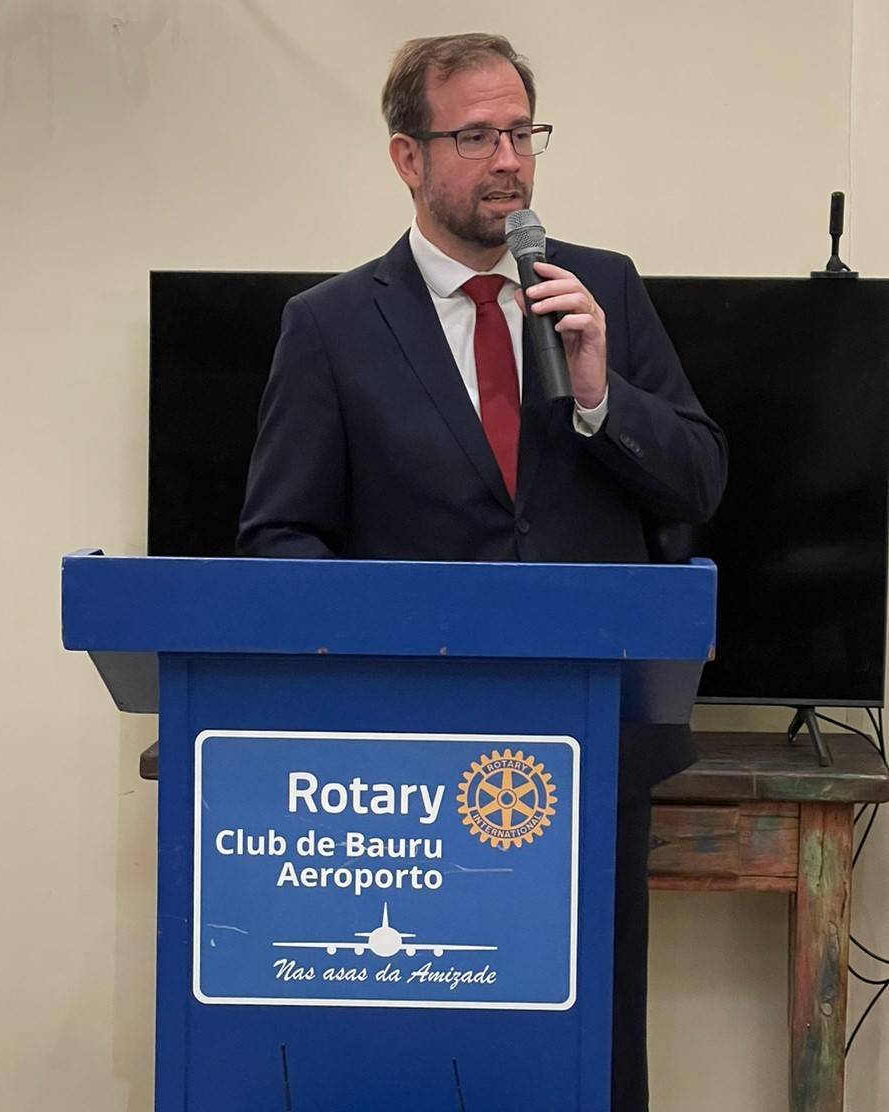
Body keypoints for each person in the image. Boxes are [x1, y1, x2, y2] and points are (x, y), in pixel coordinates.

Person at [238, 32, 727, 1111]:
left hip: (591, 748)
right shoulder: (330, 326)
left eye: (520, 132)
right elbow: (280, 536)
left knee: (589, 1051)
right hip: (404, 777)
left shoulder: (600, 289)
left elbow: (698, 479)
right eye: (474, 136)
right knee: (426, 1052)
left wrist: (600, 393)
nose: (507, 160)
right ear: (406, 158)